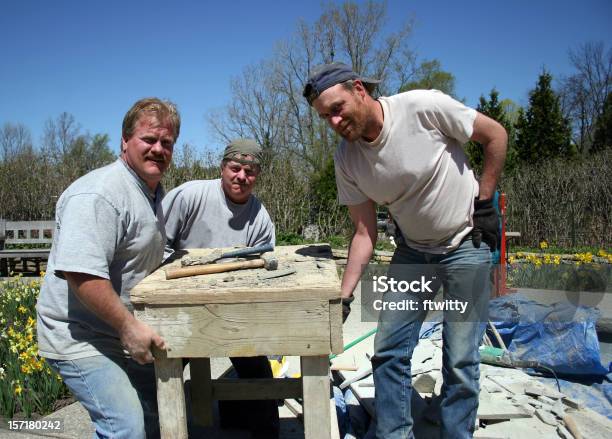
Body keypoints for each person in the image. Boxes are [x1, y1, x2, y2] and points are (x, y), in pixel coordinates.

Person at [303, 62, 507, 439]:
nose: (333, 122)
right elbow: (364, 233)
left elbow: (495, 135)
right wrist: (344, 295)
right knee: (388, 353)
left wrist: (485, 201)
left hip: (466, 244)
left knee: (460, 360)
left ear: (359, 90)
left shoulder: (421, 107)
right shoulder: (347, 159)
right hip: (413, 254)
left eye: (336, 108)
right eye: (323, 117)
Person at [36, 97, 181, 439]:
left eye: (167, 143)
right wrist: (128, 326)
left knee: (162, 410)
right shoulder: (99, 195)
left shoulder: (152, 193)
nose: (158, 149)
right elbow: (82, 275)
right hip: (80, 337)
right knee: (127, 427)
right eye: (149, 139)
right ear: (125, 141)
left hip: (118, 331)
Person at [162, 138, 279, 438]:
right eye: (235, 167)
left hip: (232, 310)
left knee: (259, 375)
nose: (241, 176)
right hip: (182, 306)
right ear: (223, 167)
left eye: (250, 171)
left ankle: (267, 434)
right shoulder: (191, 195)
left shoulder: (260, 218)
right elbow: (157, 245)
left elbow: (261, 272)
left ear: (258, 175)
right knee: (163, 373)